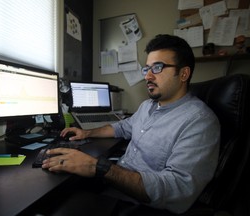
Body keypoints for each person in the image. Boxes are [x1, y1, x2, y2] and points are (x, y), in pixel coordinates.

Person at [42, 34, 220, 214]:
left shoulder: (200, 121)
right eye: (146, 69)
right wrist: (87, 133)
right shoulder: (147, 106)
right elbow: (122, 127)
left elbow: (177, 191)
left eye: (157, 68)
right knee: (52, 190)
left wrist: (97, 167)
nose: (148, 76)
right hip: (114, 182)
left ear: (183, 74)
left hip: (140, 203)